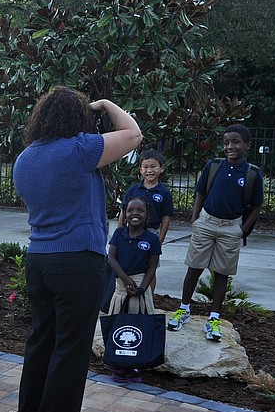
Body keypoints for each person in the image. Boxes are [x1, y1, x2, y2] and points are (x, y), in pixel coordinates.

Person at [11, 88, 141, 412]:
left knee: (41, 344)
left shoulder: (25, 157)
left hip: (38, 260)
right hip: (77, 261)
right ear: (78, 118)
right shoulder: (79, 150)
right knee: (70, 351)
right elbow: (132, 135)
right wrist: (105, 105)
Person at [166, 124, 263, 341]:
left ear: (247, 145)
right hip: (206, 222)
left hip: (231, 227)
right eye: (226, 142)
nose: (230, 146)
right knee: (194, 268)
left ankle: (214, 317)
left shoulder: (252, 174)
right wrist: (195, 219)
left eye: (236, 142)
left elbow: (256, 206)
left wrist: (242, 230)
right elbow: (200, 192)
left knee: (221, 273)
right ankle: (184, 309)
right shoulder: (214, 166)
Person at [107, 196, 161, 383]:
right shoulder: (119, 234)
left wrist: (142, 288)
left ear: (147, 215)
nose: (134, 214)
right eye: (130, 210)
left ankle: (134, 365)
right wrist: (125, 279)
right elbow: (111, 258)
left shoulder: (152, 239)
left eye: (140, 211)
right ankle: (118, 361)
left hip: (139, 288)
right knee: (118, 323)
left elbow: (152, 267)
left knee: (137, 324)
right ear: (125, 213)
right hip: (122, 287)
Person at [117, 149, 173, 244]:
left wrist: (160, 240)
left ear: (161, 168)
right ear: (140, 170)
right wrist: (119, 234)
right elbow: (123, 211)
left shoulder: (165, 193)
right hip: (131, 230)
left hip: (152, 232)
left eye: (153, 167)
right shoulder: (133, 190)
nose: (149, 170)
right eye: (145, 167)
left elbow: (166, 217)